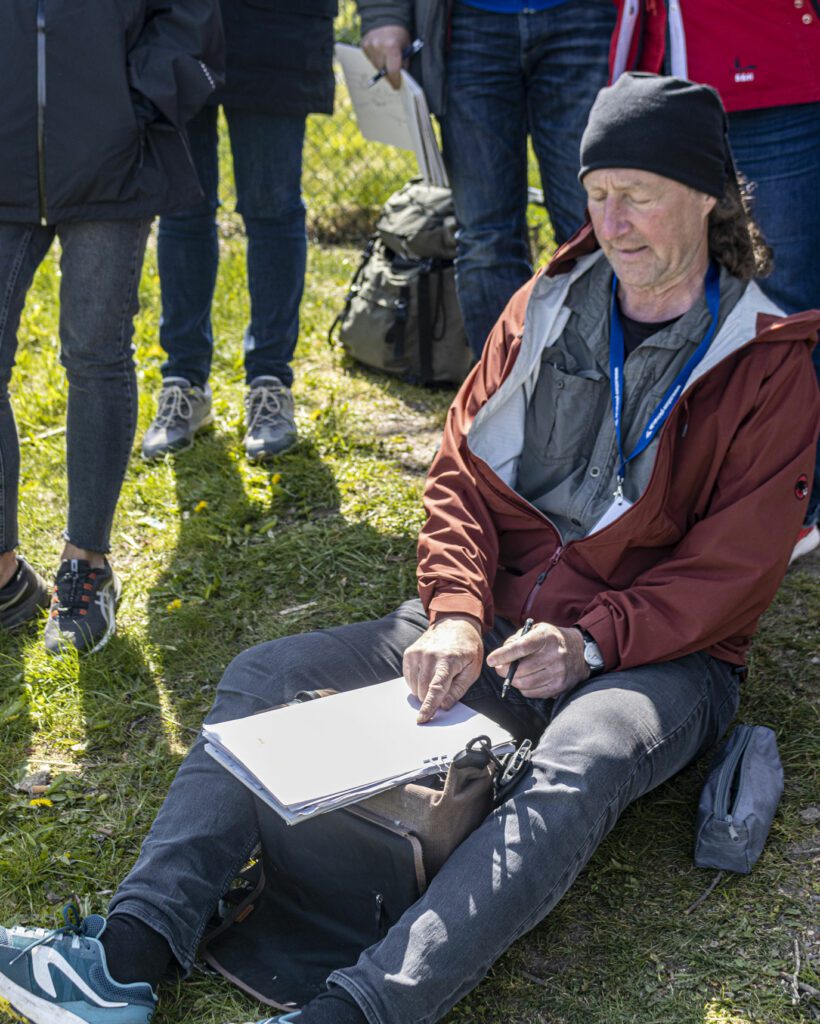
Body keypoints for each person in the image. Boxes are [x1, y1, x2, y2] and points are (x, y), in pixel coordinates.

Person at [1, 74, 819, 1024]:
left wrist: (590, 644)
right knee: (266, 674)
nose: (613, 220)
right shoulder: (547, 303)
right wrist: (459, 613)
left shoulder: (770, 356)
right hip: (500, 615)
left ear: (710, 197)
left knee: (581, 761)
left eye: (639, 193)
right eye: (597, 192)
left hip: (660, 656)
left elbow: (734, 572)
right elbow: (462, 473)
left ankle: (359, 1012)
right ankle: (130, 955)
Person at [0, 1, 223, 654]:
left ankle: (86, 565)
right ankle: (7, 578)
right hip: (4, 150)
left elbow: (189, 11)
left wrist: (135, 101)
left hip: (111, 156)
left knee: (95, 355)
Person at [607, 0, 820, 560]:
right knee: (684, 289)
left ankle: (794, 499)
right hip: (660, 70)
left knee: (784, 304)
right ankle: (707, 493)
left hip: (768, 76)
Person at [357, 0, 616, 360]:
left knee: (597, 230)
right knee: (485, 242)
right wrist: (384, 14)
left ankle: (601, 397)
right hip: (468, 25)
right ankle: (501, 398)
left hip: (585, 18)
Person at [140, 0, 337, 463]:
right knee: (184, 208)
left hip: (278, 28)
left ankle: (270, 386)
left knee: (272, 207)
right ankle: (184, 385)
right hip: (177, 24)